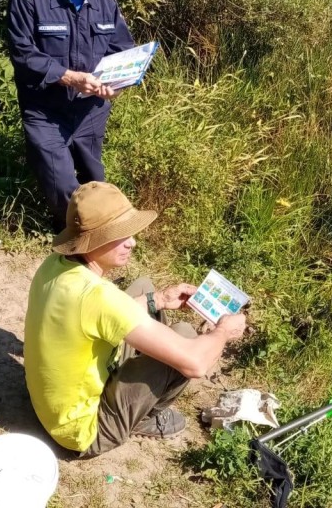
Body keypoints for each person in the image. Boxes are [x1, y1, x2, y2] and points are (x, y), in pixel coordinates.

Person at [23, 182, 248, 456]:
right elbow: (196, 364)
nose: (133, 242)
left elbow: (100, 311)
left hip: (51, 402)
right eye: (120, 236)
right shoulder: (98, 297)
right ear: (92, 240)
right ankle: (142, 418)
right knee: (186, 336)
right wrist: (223, 331)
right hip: (81, 431)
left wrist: (161, 299)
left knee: (143, 287)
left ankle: (137, 383)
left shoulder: (56, 265)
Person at [7, 0, 134, 231]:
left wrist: (117, 83)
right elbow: (22, 54)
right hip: (46, 110)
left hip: (90, 110)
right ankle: (77, 244)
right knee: (62, 185)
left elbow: (122, 49)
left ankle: (102, 238)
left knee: (97, 182)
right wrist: (68, 76)